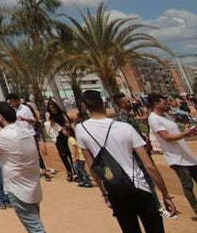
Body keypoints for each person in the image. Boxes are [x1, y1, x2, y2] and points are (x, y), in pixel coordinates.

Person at [75, 89, 177, 233]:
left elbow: (93, 166)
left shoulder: (81, 129)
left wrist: (104, 193)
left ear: (85, 106)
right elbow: (149, 165)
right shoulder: (125, 128)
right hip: (140, 186)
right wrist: (165, 195)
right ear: (104, 104)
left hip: (115, 189)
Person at [0, 101, 46, 233]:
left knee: (36, 229)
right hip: (33, 186)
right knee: (34, 221)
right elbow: (6, 137)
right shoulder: (24, 130)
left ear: (0, 117)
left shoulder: (5, 136)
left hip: (18, 189)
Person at [147, 93, 197, 218]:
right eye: (164, 102)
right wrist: (185, 134)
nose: (167, 104)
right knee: (188, 184)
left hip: (186, 155)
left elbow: (175, 132)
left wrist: (187, 132)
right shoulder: (153, 118)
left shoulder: (166, 116)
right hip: (176, 158)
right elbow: (166, 137)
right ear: (157, 104)